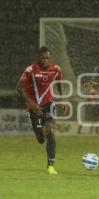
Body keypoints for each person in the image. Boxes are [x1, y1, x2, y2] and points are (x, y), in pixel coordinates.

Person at [16, 46, 66, 175]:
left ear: (50, 58)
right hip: (33, 108)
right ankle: (39, 131)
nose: (45, 60)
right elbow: (19, 87)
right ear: (38, 57)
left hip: (48, 104)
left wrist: (63, 99)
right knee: (41, 139)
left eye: (47, 58)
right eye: (43, 58)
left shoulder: (56, 69)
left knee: (50, 131)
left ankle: (50, 166)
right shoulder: (30, 70)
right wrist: (31, 104)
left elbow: (59, 83)